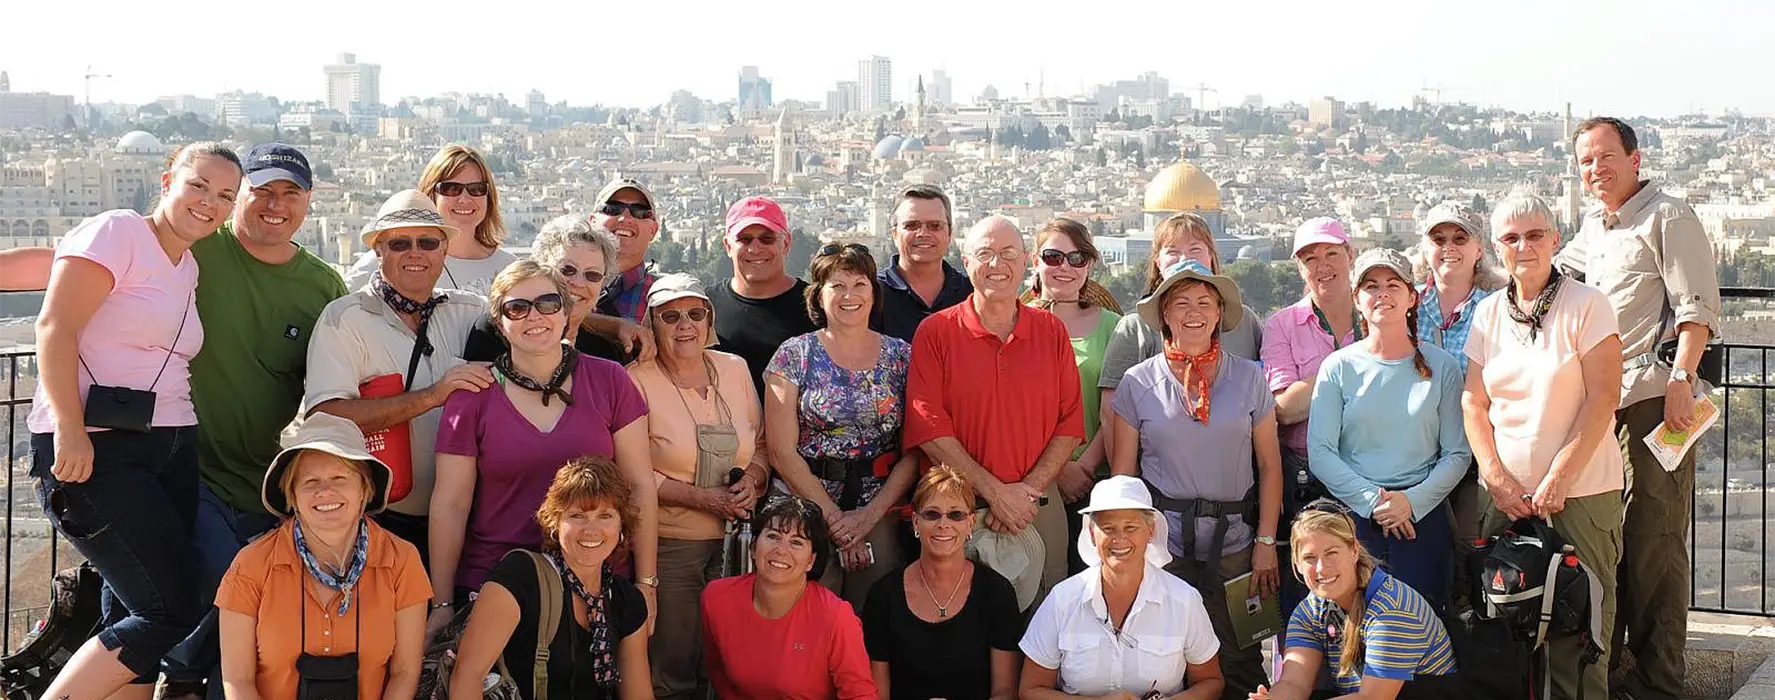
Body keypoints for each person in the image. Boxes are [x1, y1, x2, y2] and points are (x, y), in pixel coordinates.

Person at [27, 142, 240, 699]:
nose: (210, 203)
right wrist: (70, 429)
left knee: (129, 602)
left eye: (225, 196)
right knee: (169, 608)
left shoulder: (187, 265)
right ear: (168, 180)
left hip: (168, 442)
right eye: (199, 186)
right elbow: (54, 327)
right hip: (98, 444)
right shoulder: (118, 231)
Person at [1558, 117, 1721, 700]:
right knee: (1615, 541)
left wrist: (1682, 376)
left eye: (1605, 157)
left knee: (1655, 542)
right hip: (1604, 405)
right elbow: (1550, 283)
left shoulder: (1667, 215)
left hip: (1656, 400)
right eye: (1585, 162)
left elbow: (1696, 305)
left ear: (1634, 157)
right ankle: (1622, 669)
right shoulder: (1595, 227)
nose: (1595, 169)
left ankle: (1659, 683)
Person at [430, 260, 655, 632]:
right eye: (517, 308)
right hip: (499, 584)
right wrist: (441, 603)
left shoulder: (610, 380)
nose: (534, 316)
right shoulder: (472, 394)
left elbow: (640, 487)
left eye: (548, 303)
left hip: (597, 580)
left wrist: (647, 585)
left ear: (566, 312)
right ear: (499, 322)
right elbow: (450, 504)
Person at [1463, 193, 1624, 700]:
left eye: (1535, 235)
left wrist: (1559, 477)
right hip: (1505, 498)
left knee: (1583, 632)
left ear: (1555, 240)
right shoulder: (1489, 314)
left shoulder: (1588, 305)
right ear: (1496, 249)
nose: (1524, 246)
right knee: (1503, 628)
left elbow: (1603, 399)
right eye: (1511, 239)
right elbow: (1474, 401)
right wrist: (1493, 476)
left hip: (1581, 495)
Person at [1111, 259, 1282, 699]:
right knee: (1167, 650)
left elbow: (1269, 466)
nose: (1193, 312)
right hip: (1164, 544)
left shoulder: (1249, 378)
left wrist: (1266, 543)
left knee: (1242, 651)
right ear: (1164, 314)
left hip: (1237, 543)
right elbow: (1123, 477)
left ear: (1219, 313)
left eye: (1205, 302)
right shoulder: (1138, 383)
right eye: (1181, 302)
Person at [905, 215, 1085, 610]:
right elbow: (928, 428)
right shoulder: (935, 333)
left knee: (1044, 624)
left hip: (1037, 506)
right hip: (956, 511)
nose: (997, 265)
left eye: (1007, 254)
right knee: (955, 621)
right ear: (966, 262)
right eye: (985, 254)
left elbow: (1070, 424)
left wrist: (1026, 493)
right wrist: (995, 494)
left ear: (1025, 261)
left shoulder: (1051, 331)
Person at [302, 189, 492, 562]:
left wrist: (612, 326)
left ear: (444, 250)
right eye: (400, 243)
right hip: (382, 519)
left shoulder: (470, 311)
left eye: (428, 242)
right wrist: (432, 396)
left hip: (467, 518)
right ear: (379, 251)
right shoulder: (345, 319)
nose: (416, 253)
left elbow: (537, 314)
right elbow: (325, 416)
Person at [215, 413, 429, 700]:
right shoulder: (251, 565)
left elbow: (405, 672)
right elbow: (237, 682)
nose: (325, 491)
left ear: (365, 488)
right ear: (291, 494)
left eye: (340, 478)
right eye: (310, 481)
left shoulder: (402, 560)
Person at [628, 273, 769, 700]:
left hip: (741, 542)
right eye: (670, 316)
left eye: (695, 313)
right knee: (674, 660)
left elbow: (761, 444)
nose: (684, 324)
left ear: (709, 320)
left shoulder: (735, 369)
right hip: (673, 543)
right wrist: (702, 498)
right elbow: (631, 472)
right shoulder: (634, 379)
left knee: (731, 660)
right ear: (653, 325)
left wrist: (755, 480)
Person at [1307, 248, 1470, 612]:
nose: (1382, 294)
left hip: (1423, 520)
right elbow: (1320, 452)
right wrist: (1377, 503)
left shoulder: (1442, 367)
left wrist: (1410, 504)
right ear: (1357, 300)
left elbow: (1457, 452)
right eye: (1371, 286)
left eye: (1393, 285)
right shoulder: (1337, 368)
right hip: (1355, 521)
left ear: (1411, 297)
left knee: (1422, 628)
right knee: (1355, 633)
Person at [765, 242, 918, 607]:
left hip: (879, 506)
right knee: (802, 616)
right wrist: (835, 522)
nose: (849, 295)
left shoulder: (902, 356)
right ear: (818, 297)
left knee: (874, 617)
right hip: (803, 507)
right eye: (837, 285)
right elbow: (781, 451)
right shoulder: (793, 355)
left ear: (873, 293)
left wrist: (867, 518)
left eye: (859, 284)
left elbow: (916, 445)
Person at [448, 456, 653, 700]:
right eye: (577, 516)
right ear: (555, 522)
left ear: (622, 526)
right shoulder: (521, 576)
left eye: (605, 516)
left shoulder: (626, 600)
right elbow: (468, 676)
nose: (591, 529)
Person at [1019, 476, 1225, 700]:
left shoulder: (1184, 600)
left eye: (1131, 527)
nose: (1119, 539)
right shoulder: (1062, 600)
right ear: (1091, 533)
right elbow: (1031, 691)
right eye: (1108, 528)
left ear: (1150, 531)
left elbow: (1211, 681)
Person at [1253, 504, 1461, 700]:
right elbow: (1294, 683)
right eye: (1310, 558)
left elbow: (1371, 698)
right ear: (1296, 564)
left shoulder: (1391, 609)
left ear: (1354, 550)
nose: (1321, 568)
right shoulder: (1310, 610)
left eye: (1331, 553)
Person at [1407, 200, 1504, 609]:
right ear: (1425, 249)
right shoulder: (1407, 306)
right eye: (1438, 239)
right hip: (1417, 452)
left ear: (1478, 249)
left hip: (1475, 452)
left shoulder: (1497, 307)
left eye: (1459, 238)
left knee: (1468, 549)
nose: (1449, 248)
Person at [1261, 217, 1359, 617]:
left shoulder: (1377, 312)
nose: (1323, 266)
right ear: (1299, 268)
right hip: (1305, 477)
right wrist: (1353, 364)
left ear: (1350, 256)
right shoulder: (1281, 324)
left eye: (1332, 254)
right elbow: (1284, 409)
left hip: (1369, 470)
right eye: (1310, 258)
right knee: (1307, 597)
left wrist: (1314, 385)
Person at [862, 467, 1020, 700]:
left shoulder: (997, 592)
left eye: (956, 514)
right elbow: (877, 694)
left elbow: (1005, 692)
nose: (943, 524)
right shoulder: (883, 596)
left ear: (970, 523)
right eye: (932, 514)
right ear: (915, 522)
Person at [701, 496, 876, 699]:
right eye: (773, 536)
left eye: (796, 542)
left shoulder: (836, 617)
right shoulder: (717, 598)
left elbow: (860, 694)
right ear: (753, 547)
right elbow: (718, 672)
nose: (781, 550)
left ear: (811, 561)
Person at [1022, 219, 1122, 575]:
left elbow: (1117, 409)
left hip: (1096, 477)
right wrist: (1057, 470)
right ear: (1036, 261)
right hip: (1032, 481)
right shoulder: (1015, 324)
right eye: (1054, 257)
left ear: (1089, 266)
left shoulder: (1114, 326)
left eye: (1077, 258)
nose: (1065, 267)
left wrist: (1085, 466)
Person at [344, 145, 518, 297]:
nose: (465, 199)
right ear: (430, 194)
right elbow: (338, 307)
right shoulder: (391, 258)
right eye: (451, 189)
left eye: (476, 189)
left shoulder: (510, 267)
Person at [463, 215, 631, 363]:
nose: (579, 283)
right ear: (540, 268)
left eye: (592, 275)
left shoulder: (606, 355)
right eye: (567, 270)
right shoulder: (496, 333)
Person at [709, 195, 818, 396]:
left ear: (786, 244)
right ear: (728, 246)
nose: (755, 248)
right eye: (744, 239)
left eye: (767, 238)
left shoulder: (816, 306)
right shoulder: (705, 308)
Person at [873, 184, 972, 343]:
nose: (923, 233)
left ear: (950, 234)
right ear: (894, 234)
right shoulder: (871, 295)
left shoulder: (972, 295)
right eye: (912, 225)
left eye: (935, 226)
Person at [594, 176, 664, 324]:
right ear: (593, 222)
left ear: (653, 230)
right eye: (613, 209)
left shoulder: (663, 299)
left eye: (639, 211)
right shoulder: (566, 283)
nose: (625, 218)